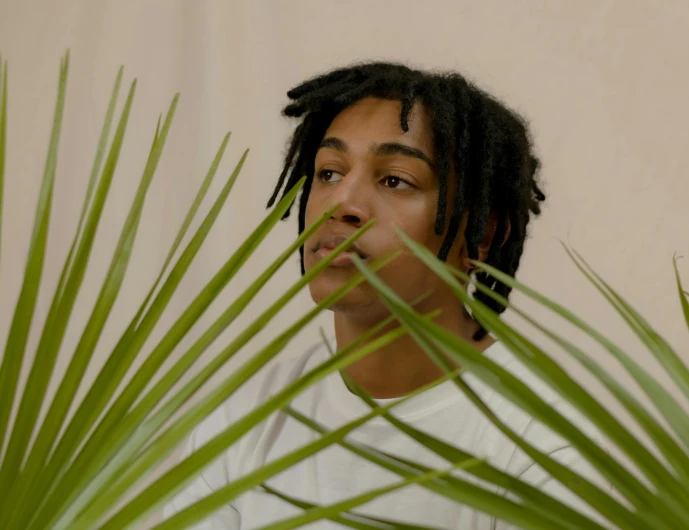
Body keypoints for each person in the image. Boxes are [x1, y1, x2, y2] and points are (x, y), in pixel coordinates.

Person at [164, 62, 603, 529]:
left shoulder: (547, 449)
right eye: (329, 173)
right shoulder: (242, 423)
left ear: (482, 235)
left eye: (395, 180)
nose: (342, 204)